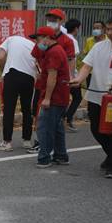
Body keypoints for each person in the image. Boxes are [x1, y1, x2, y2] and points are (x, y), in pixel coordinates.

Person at [70, 16, 112, 179]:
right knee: (96, 128)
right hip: (97, 97)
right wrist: (79, 79)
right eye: (108, 29)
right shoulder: (98, 47)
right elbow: (87, 66)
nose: (110, 33)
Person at [27, 8, 75, 154]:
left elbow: (69, 62)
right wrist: (39, 71)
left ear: (62, 21)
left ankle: (45, 151)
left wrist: (70, 79)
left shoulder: (65, 42)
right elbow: (36, 56)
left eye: (55, 19)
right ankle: (56, 152)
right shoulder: (43, 39)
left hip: (55, 85)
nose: (52, 22)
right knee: (43, 116)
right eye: (50, 19)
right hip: (43, 82)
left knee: (47, 120)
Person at [29, 26, 70, 168]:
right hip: (60, 95)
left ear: (47, 38)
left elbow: (52, 77)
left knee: (45, 127)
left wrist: (47, 98)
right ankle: (61, 155)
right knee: (57, 126)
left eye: (39, 38)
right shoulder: (55, 50)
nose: (37, 42)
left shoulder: (54, 52)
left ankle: (44, 157)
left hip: (55, 96)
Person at [0, 36, 36, 152]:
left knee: (9, 109)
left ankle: (7, 142)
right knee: (27, 109)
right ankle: (27, 141)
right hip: (29, 77)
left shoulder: (8, 40)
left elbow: (1, 57)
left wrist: (3, 72)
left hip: (12, 74)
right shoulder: (31, 44)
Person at [64, 19, 82, 132]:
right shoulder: (72, 41)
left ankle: (64, 119)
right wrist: (73, 76)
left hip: (60, 73)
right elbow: (72, 59)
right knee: (77, 97)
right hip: (70, 75)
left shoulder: (62, 37)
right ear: (76, 29)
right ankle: (67, 118)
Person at [83, 20, 108, 87]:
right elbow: (86, 55)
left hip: (105, 72)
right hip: (91, 72)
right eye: (94, 28)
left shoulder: (109, 40)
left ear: (103, 29)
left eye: (98, 28)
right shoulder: (89, 40)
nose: (95, 30)